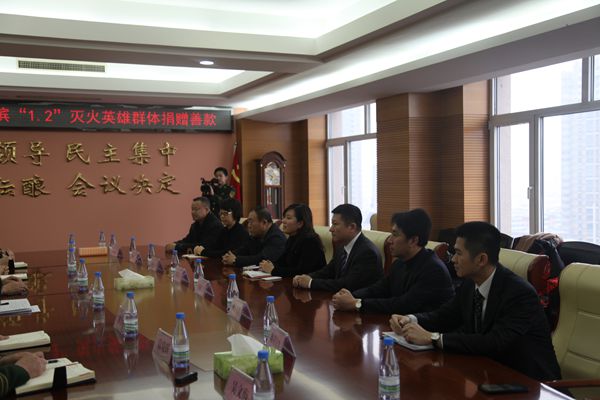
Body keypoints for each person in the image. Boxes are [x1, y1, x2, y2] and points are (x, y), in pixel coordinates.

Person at [389, 221, 561, 381]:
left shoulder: (519, 294)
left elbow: (494, 342)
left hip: (533, 385)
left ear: (481, 260)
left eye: (458, 253)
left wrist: (433, 338)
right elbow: (445, 316)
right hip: (490, 375)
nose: (453, 259)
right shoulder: (471, 284)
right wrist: (410, 320)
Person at [332, 209, 454, 314]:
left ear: (413, 240)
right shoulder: (399, 263)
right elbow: (378, 289)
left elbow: (403, 304)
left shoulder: (433, 270)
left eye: (395, 234)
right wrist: (350, 296)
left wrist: (357, 303)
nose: (390, 240)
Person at [293, 204, 383, 292]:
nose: (331, 229)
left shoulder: (367, 253)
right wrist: (305, 277)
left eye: (335, 224)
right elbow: (328, 271)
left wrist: (311, 283)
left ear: (352, 227)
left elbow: (347, 284)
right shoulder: (342, 246)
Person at [259, 204, 325, 277]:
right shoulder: (292, 238)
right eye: (284, 217)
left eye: (288, 218)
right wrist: (268, 265)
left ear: (300, 223)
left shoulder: (311, 241)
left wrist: (273, 270)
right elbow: (282, 262)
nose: (283, 221)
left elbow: (302, 272)